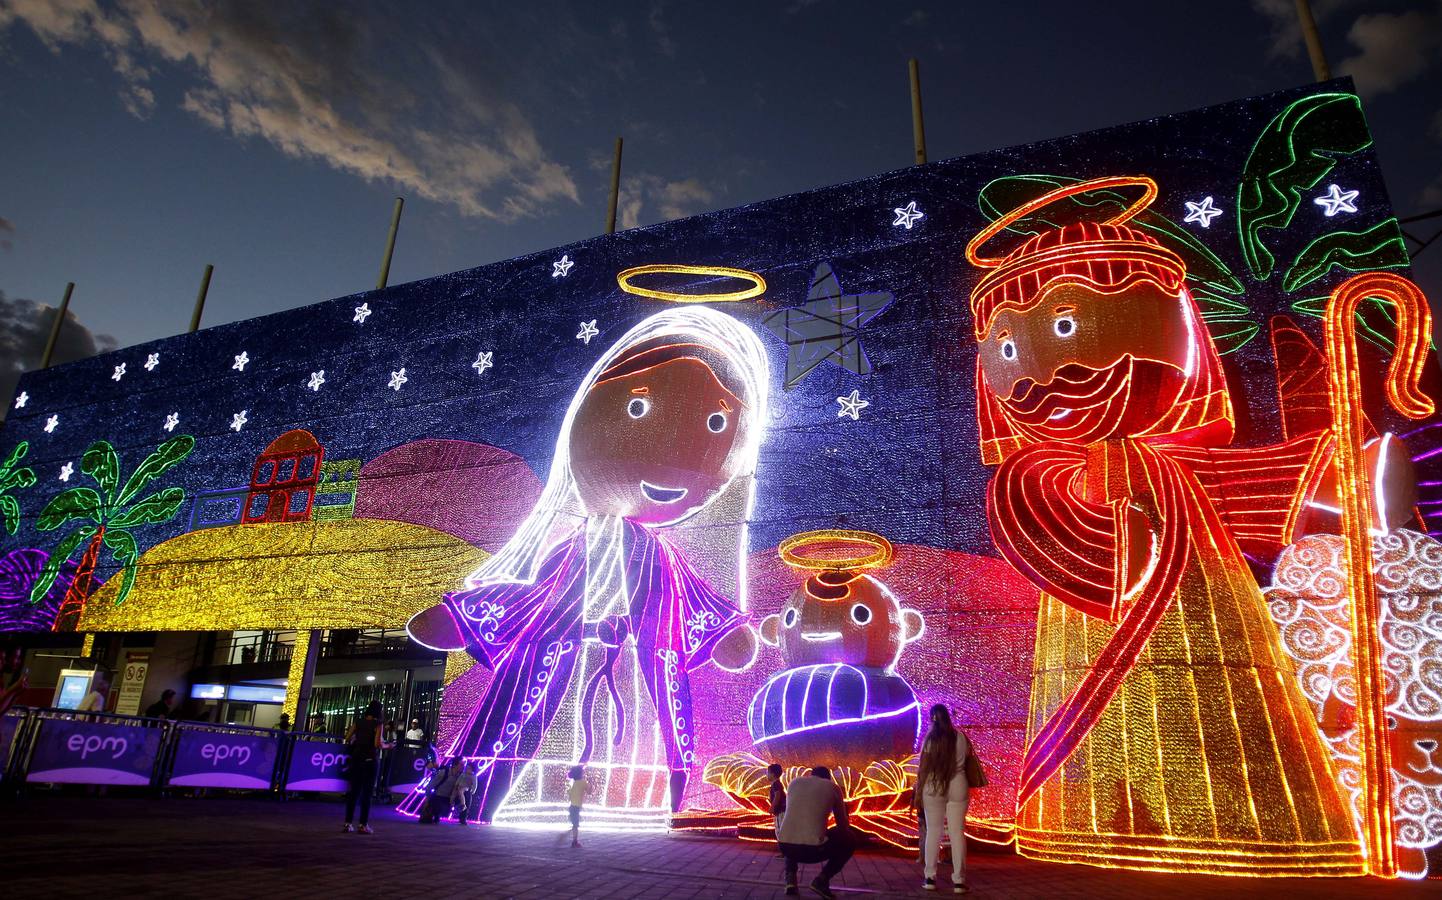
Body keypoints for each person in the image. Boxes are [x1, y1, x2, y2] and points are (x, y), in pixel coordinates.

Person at [403, 308, 768, 827]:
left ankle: (631, 806)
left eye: (715, 423)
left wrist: (728, 630)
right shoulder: (572, 546)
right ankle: (502, 801)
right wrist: (464, 617)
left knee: (635, 740)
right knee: (526, 727)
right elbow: (530, 595)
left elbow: (695, 600)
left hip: (643, 670)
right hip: (557, 663)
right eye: (641, 409)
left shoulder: (662, 555)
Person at [914, 704, 971, 893]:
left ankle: (930, 878)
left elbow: (923, 767)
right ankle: (959, 881)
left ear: (932, 719)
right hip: (958, 783)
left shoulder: (930, 739)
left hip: (934, 785)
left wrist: (918, 791)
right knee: (957, 833)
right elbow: (967, 759)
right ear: (948, 717)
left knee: (933, 832)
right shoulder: (961, 737)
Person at [776, 765, 853, 899]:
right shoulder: (833, 788)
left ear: (811, 775)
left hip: (784, 847)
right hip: (812, 851)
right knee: (849, 838)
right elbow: (842, 826)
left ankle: (790, 880)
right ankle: (821, 880)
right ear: (828, 778)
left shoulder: (794, 783)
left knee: (794, 829)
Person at [342, 700, 383, 834]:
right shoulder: (378, 724)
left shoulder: (358, 722)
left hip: (357, 758)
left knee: (353, 792)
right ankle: (363, 824)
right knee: (367, 793)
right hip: (370, 760)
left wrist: (358, 740)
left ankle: (348, 824)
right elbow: (377, 744)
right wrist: (388, 746)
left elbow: (347, 737)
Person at [767, 763, 787, 855]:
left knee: (780, 830)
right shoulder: (776, 783)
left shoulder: (776, 784)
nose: (767, 775)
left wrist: (772, 807)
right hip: (780, 811)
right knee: (780, 830)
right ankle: (784, 851)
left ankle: (784, 852)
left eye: (768, 772)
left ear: (773, 774)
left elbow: (777, 796)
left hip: (780, 811)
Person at [566, 764, 587, 848]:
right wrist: (591, 784)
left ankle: (574, 840)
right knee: (575, 825)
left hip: (572, 807)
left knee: (575, 824)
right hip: (576, 807)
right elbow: (589, 791)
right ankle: (574, 842)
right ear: (581, 774)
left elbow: (570, 794)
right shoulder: (583, 782)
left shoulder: (574, 783)